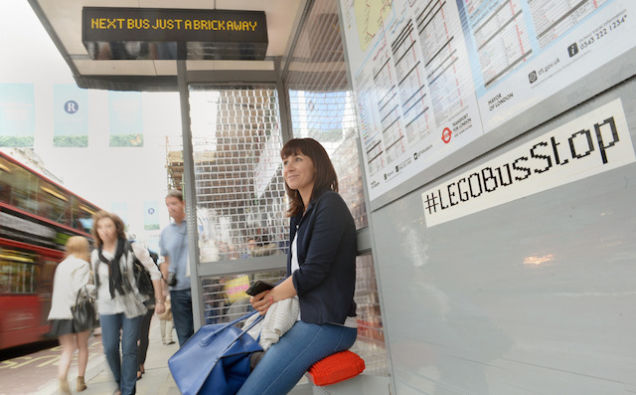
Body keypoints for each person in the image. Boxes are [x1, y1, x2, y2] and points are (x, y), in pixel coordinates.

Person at [238, 138, 358, 395]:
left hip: (328, 324)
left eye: (298, 159)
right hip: (304, 318)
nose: (289, 167)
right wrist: (268, 296)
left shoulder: (330, 205)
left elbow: (312, 273)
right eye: (285, 162)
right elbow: (295, 274)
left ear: (318, 165)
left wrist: (271, 297)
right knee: (238, 362)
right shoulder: (300, 215)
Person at [91, 211, 165, 395]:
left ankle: (127, 391)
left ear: (116, 228)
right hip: (107, 307)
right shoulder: (95, 255)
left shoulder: (133, 249)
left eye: (108, 226)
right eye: (100, 227)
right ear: (96, 231)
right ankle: (120, 384)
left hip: (131, 305)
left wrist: (159, 300)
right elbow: (97, 285)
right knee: (109, 349)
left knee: (130, 348)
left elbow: (155, 272)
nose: (105, 231)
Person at [47, 236, 93, 394]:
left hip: (60, 312)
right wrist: (95, 289)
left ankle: (62, 376)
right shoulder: (83, 264)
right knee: (83, 347)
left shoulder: (61, 265)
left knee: (67, 349)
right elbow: (79, 290)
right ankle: (80, 381)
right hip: (79, 311)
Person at [159, 190, 194, 346]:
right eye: (168, 205)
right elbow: (166, 262)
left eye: (174, 203)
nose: (170, 208)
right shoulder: (166, 233)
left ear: (183, 204)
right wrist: (164, 292)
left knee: (201, 330)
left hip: (198, 287)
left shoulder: (195, 226)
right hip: (178, 291)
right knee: (184, 334)